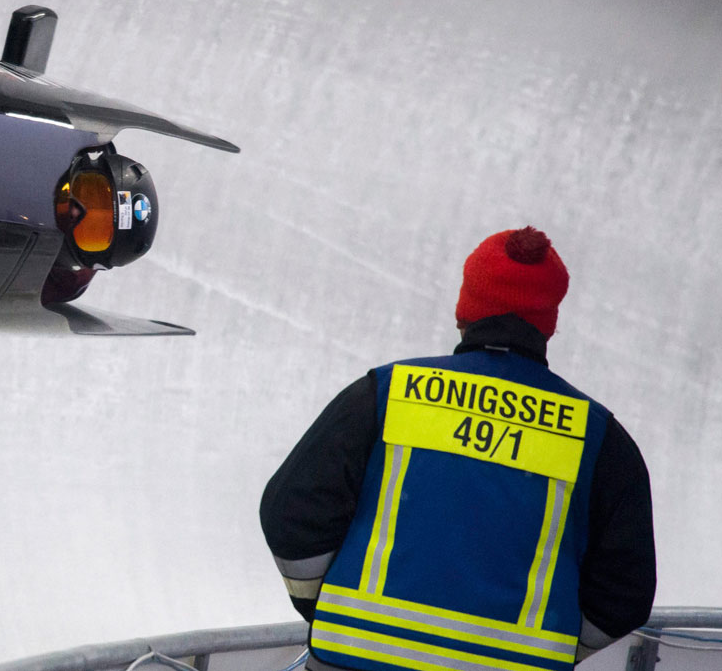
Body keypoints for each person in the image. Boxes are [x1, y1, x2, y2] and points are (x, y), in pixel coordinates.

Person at [259, 226, 655, 671]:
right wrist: (551, 646)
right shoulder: (599, 440)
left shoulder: (388, 395)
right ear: (548, 324)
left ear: (464, 311)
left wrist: (325, 609)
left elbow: (290, 514)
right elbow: (626, 593)